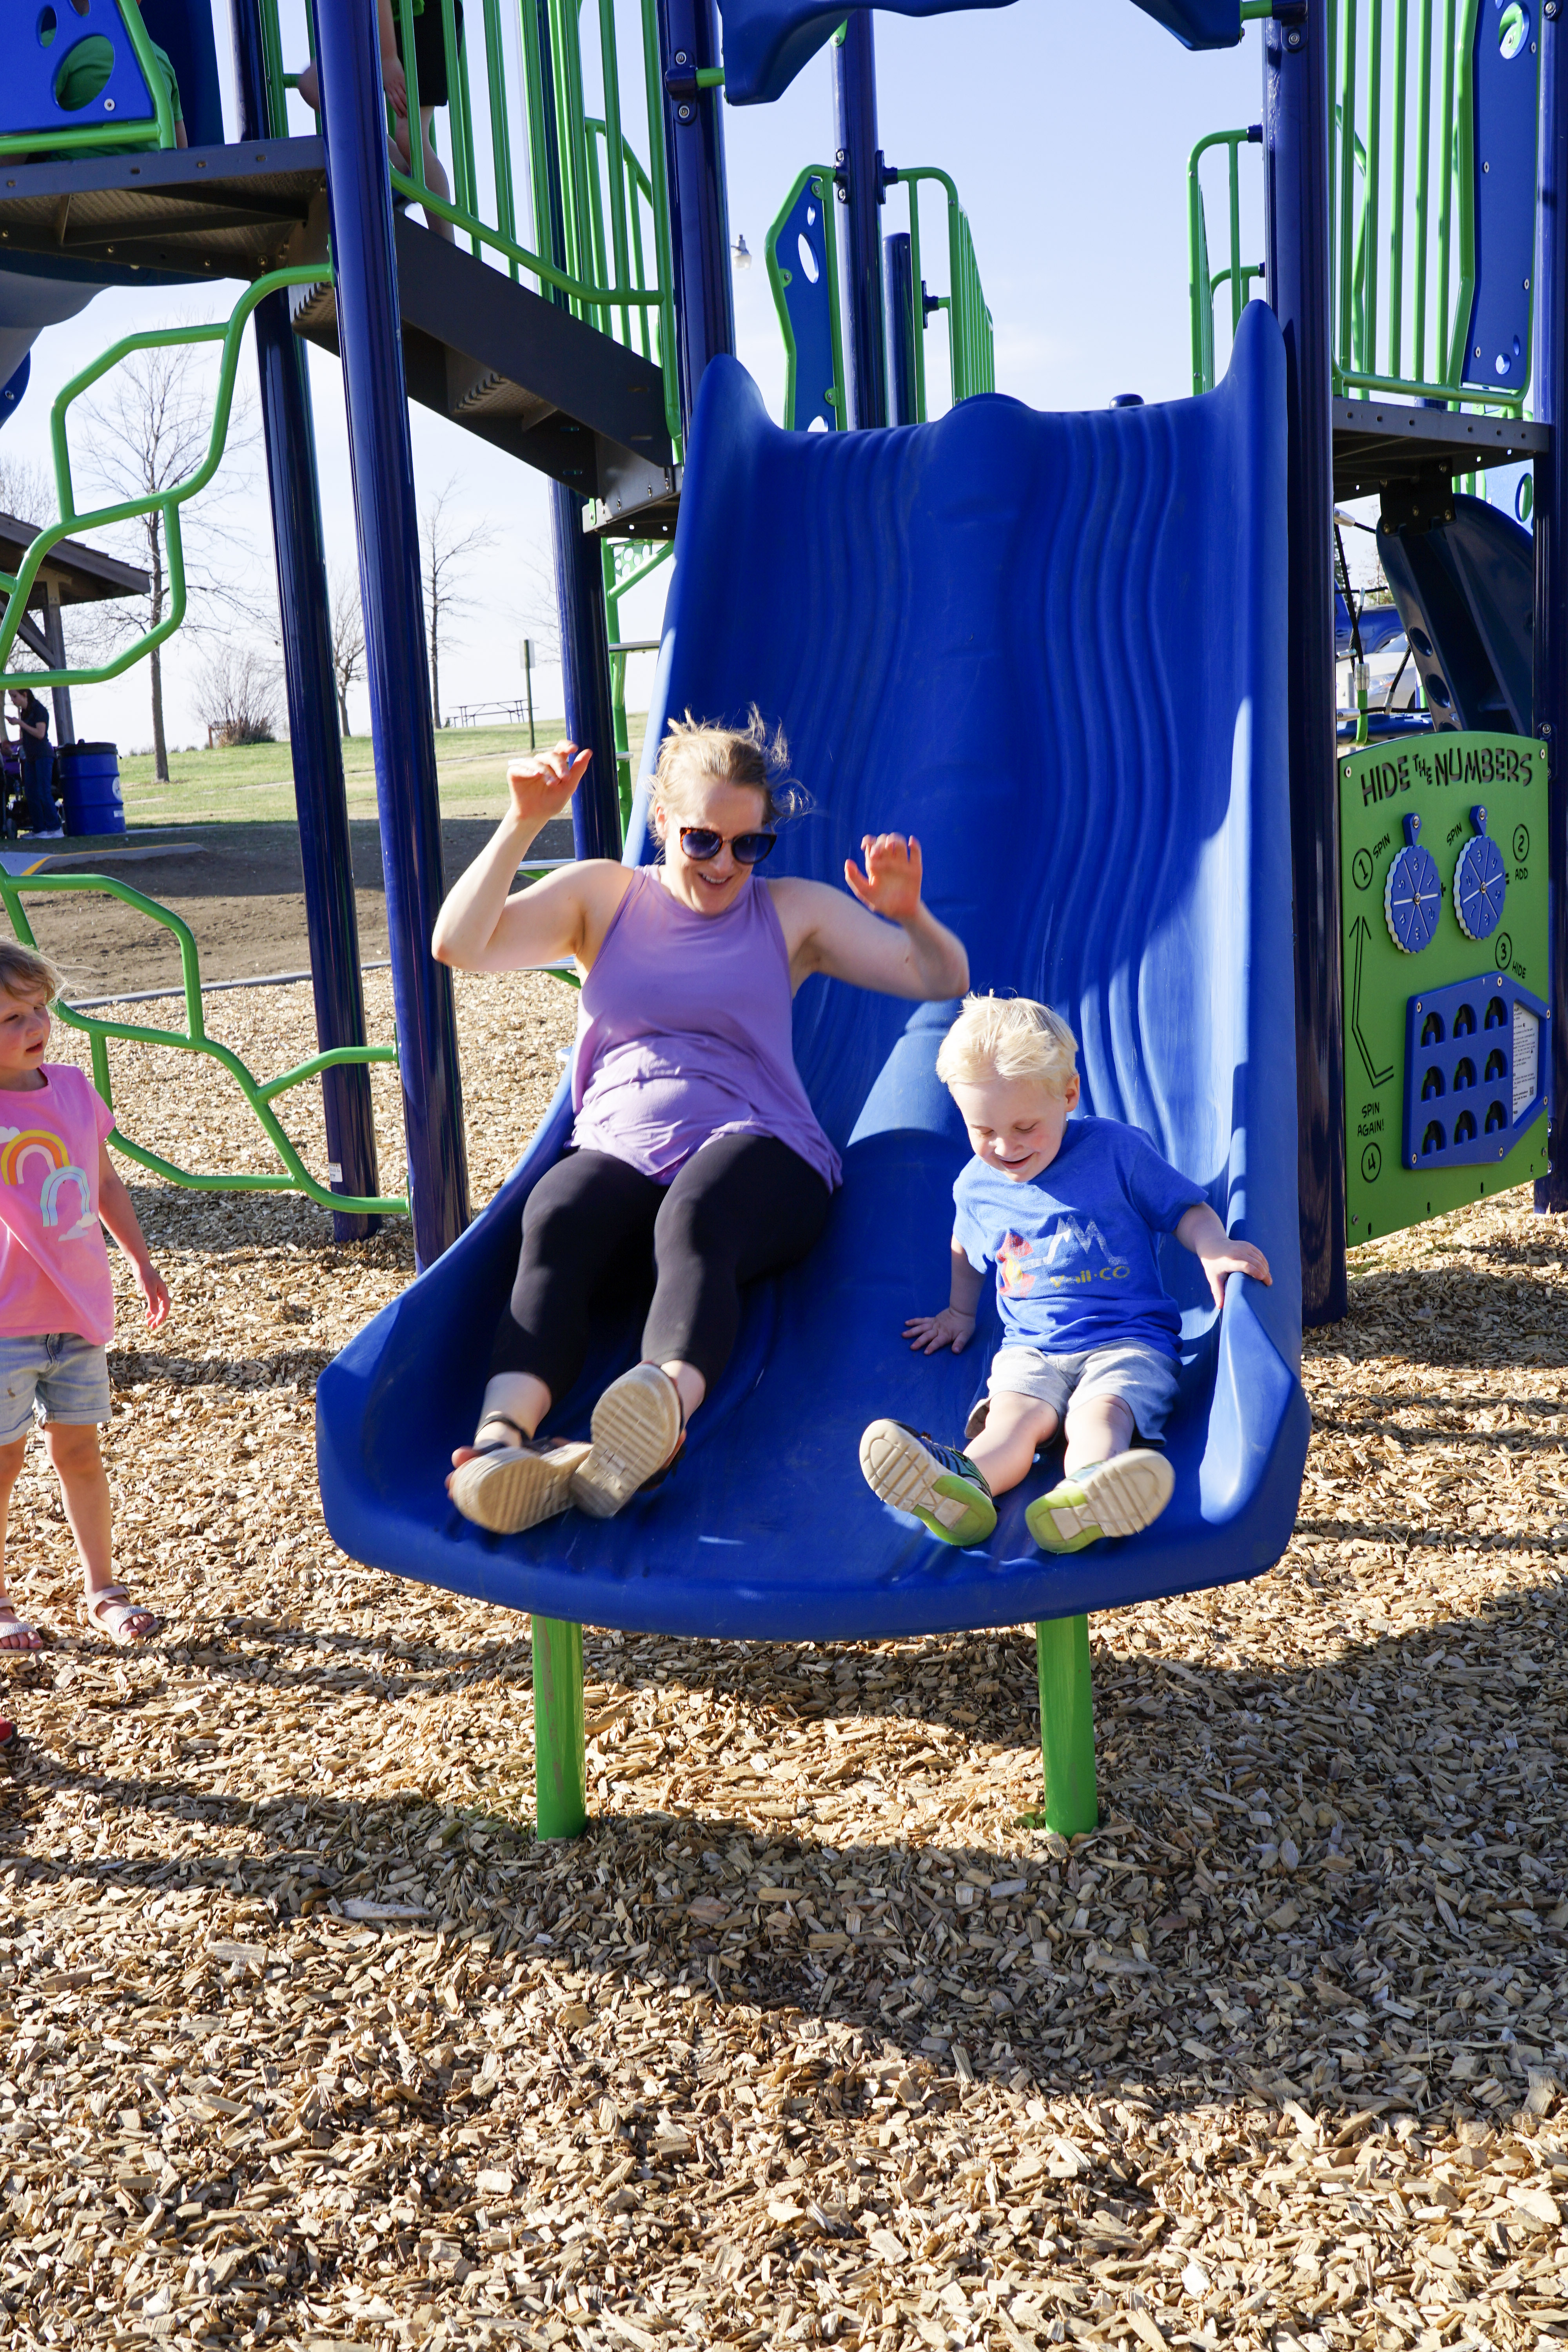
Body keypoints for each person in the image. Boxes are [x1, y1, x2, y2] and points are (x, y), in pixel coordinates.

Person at [432, 712, 971, 1534]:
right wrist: (521, 823)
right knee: (556, 1214)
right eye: (701, 841)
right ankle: (501, 1446)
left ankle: (653, 1416)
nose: (725, 864)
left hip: (759, 1150)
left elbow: (936, 978)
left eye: (747, 845)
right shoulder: (603, 896)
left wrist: (910, 915)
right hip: (619, 1147)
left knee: (696, 1215)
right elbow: (458, 945)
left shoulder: (790, 914)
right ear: (661, 826)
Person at [858, 994, 1272, 1553]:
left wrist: (1215, 1246)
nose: (1005, 1147)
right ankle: (959, 1489)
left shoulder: (1115, 1151)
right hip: (1032, 1348)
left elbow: (1184, 1209)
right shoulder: (976, 1185)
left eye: (1024, 1126)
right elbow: (964, 1244)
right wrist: (958, 1312)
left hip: (1127, 1341)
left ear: (1069, 1094)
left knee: (1100, 1413)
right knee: (1012, 1421)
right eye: (984, 1131)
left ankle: (1087, 1490)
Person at [0, 941, 169, 1650]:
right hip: (6, 1322)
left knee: (80, 1452)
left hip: (76, 1313)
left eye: (38, 1009)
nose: (33, 1025)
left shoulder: (73, 1089)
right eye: (9, 1017)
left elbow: (103, 1184)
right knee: (3, 1463)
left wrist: (140, 1261)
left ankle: (102, 1588)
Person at [296, 0, 457, 243]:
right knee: (314, 84)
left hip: (427, 14)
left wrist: (389, 58)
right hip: (377, 20)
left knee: (410, 136)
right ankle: (403, 174)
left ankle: (446, 243)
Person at [53, 0, 188, 150]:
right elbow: (181, 158)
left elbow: (23, 138)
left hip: (79, 170)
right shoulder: (160, 60)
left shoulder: (57, 44)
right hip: (151, 172)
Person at [5, 690, 60, 841]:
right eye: (11, 697)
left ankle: (55, 827)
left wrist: (20, 723)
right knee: (30, 793)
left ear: (25, 695)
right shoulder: (25, 713)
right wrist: (12, 743)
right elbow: (27, 737)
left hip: (43, 756)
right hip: (30, 758)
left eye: (15, 696)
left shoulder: (39, 710)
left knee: (43, 791)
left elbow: (40, 734)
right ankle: (40, 829)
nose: (13, 700)